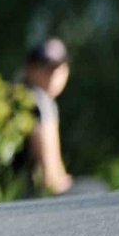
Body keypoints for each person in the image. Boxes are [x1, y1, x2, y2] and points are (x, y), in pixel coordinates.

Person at [21, 38, 74, 196]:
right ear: (29, 69)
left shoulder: (17, 95)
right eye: (45, 68)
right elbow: (51, 179)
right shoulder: (39, 102)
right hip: (25, 198)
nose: (53, 75)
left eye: (57, 68)